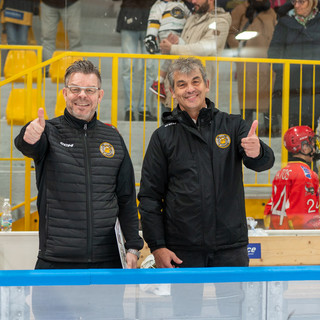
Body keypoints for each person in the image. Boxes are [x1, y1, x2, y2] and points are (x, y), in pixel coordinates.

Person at [138, 57, 275, 317]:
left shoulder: (233, 125)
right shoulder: (163, 136)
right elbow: (149, 197)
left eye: (195, 81)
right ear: (173, 92)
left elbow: (261, 163)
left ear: (207, 85)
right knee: (186, 315)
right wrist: (157, 246)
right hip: (183, 250)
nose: (190, 89)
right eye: (181, 84)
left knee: (233, 313)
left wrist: (258, 152)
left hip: (230, 248)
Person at [15, 60, 143, 318]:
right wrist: (28, 137)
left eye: (90, 90)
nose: (82, 96)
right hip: (56, 264)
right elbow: (28, 144)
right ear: (64, 93)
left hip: (107, 265)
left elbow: (127, 198)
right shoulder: (48, 132)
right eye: (75, 89)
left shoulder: (113, 138)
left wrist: (133, 246)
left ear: (100, 95)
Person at [159, 0, 232, 107]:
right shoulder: (192, 18)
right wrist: (177, 41)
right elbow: (188, 46)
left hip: (195, 94)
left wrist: (173, 48)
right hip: (175, 89)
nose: (193, 1)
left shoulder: (221, 22)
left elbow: (206, 47)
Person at [268, 0, 320, 132]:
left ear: (313, 2)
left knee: (314, 131)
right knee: (293, 131)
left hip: (316, 84)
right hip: (292, 84)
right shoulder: (285, 22)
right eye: (294, 1)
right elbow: (273, 51)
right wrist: (283, 70)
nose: (296, 5)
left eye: (301, 2)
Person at [227, 0, 277, 136]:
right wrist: (239, 50)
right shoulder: (240, 10)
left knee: (267, 97)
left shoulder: (270, 11)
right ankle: (246, 132)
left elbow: (275, 32)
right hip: (248, 62)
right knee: (247, 99)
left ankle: (269, 129)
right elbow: (231, 33)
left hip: (267, 61)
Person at [264, 126, 320, 230]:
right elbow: (305, 218)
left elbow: (269, 209)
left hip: (278, 232)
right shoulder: (307, 175)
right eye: (311, 143)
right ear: (304, 147)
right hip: (294, 236)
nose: (314, 146)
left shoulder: (281, 172)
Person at [116, 0, 157, 121]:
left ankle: (145, 108)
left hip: (151, 17)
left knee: (150, 67)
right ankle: (129, 109)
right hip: (129, 13)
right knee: (128, 67)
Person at [144, 0, 193, 99]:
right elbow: (154, 20)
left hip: (182, 33)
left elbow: (191, 18)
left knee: (177, 56)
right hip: (166, 32)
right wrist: (151, 36)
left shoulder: (182, 4)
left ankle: (169, 82)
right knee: (172, 56)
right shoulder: (159, 5)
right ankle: (159, 82)